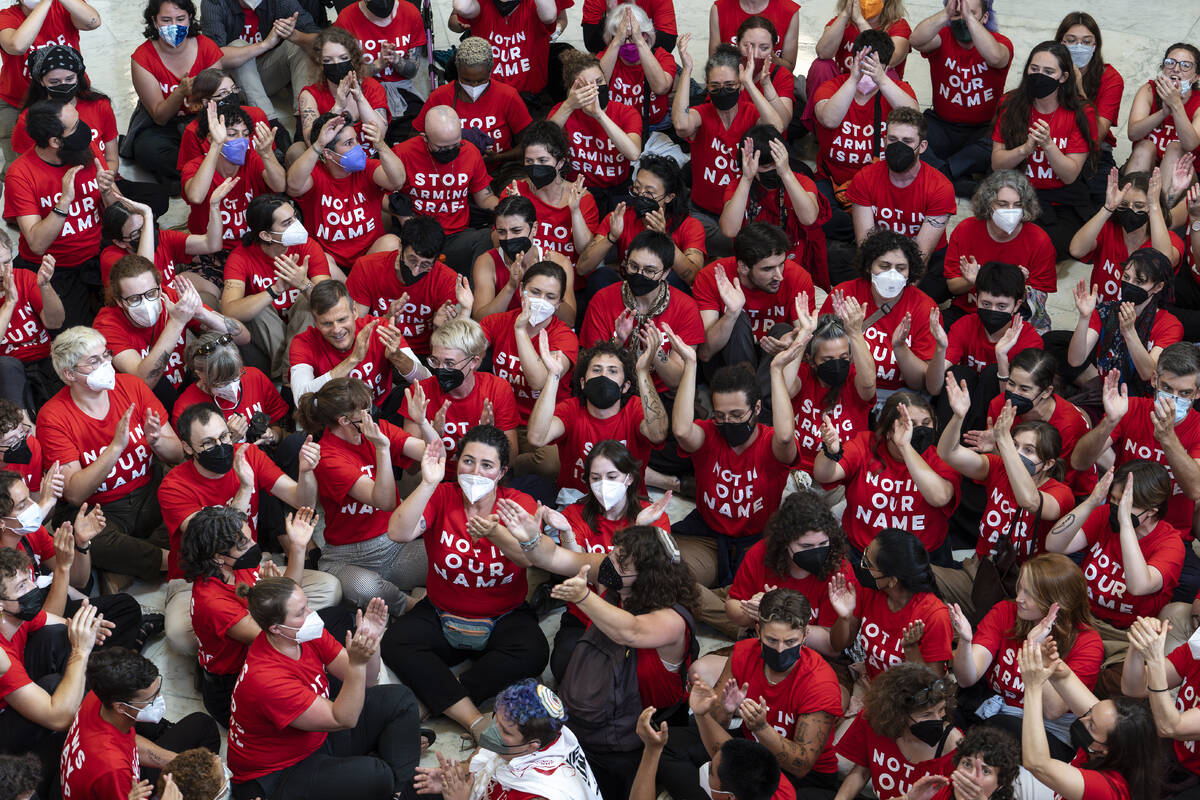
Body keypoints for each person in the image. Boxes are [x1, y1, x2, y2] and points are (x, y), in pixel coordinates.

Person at [481, 506, 696, 800]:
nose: (609, 562)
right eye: (613, 553)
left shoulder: (673, 621)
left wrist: (583, 596)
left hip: (631, 740)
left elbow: (629, 630)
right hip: (585, 720)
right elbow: (555, 557)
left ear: (649, 577)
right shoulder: (617, 572)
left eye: (621, 562)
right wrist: (531, 537)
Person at [379, 426, 548, 742]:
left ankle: (439, 696)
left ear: (501, 472)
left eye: (487, 465)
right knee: (395, 642)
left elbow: (529, 559)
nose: (475, 471)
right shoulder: (441, 494)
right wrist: (428, 483)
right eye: (468, 461)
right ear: (456, 464)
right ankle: (471, 717)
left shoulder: (517, 502)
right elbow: (398, 532)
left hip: (504, 616)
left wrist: (495, 533)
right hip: (441, 611)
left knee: (534, 652)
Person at [157, 402, 338, 655]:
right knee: (179, 637)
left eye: (224, 436)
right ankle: (256, 630)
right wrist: (245, 489)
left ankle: (253, 628)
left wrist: (306, 472)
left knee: (330, 588)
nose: (221, 447)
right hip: (199, 581)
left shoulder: (247, 454)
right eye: (208, 443)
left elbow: (303, 501)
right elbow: (217, 542)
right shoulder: (173, 486)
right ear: (187, 447)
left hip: (251, 569)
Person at [226, 578, 422, 799]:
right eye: (300, 612)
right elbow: (344, 719)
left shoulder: (304, 634)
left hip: (313, 737)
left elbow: (366, 680)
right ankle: (389, 773)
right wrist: (357, 663)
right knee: (376, 774)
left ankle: (401, 792)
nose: (310, 613)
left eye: (307, 604)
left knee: (400, 700)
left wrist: (371, 641)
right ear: (276, 628)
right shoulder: (266, 678)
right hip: (279, 772)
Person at [38, 327, 184, 588]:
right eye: (94, 361)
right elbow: (74, 493)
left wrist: (157, 441)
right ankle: (171, 562)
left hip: (148, 492)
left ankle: (127, 569)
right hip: (99, 509)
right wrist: (115, 448)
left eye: (106, 355)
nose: (106, 364)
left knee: (191, 503)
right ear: (69, 374)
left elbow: (178, 454)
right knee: (81, 536)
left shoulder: (132, 386)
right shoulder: (53, 416)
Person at [663, 588, 840, 796]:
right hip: (751, 749)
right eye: (772, 640)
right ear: (758, 631)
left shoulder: (820, 682)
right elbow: (717, 724)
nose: (781, 650)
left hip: (804, 777)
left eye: (790, 641)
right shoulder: (744, 653)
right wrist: (725, 711)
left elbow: (801, 766)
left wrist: (762, 728)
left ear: (805, 635)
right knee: (665, 743)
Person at [180, 504, 338, 726]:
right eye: (243, 543)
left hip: (259, 650)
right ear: (217, 557)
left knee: (336, 620)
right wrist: (278, 595)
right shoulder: (213, 602)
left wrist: (299, 546)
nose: (255, 546)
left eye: (250, 537)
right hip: (232, 686)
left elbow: (287, 597)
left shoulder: (235, 567)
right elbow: (280, 632)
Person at [529, 441, 672, 676]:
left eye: (612, 476)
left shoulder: (650, 515)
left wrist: (638, 528)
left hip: (635, 613)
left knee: (639, 672)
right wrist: (565, 533)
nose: (603, 484)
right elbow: (573, 569)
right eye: (595, 478)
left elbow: (650, 576)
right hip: (586, 613)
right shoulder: (574, 514)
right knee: (564, 667)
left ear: (629, 478)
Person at [671, 343, 800, 590]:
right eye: (721, 415)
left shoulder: (770, 442)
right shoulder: (709, 434)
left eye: (738, 415)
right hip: (707, 536)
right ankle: (732, 614)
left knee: (765, 592)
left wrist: (776, 371)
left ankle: (732, 609)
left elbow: (785, 437)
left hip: (758, 541)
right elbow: (681, 430)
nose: (728, 422)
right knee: (672, 581)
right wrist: (690, 365)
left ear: (757, 409)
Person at [950, 553, 1103, 761]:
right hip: (996, 710)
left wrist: (1036, 649)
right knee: (945, 717)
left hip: (1049, 730)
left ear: (1056, 602)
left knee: (999, 729)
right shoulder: (1005, 611)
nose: (1019, 598)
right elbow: (966, 678)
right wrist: (965, 643)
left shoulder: (1088, 642)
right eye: (1020, 587)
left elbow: (1052, 711)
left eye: (1030, 594)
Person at [296, 377, 428, 610]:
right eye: (365, 411)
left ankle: (401, 592)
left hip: (394, 545)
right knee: (366, 588)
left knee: (445, 555)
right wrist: (382, 448)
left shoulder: (378, 430)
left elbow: (431, 455)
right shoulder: (328, 457)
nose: (371, 415)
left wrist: (423, 423)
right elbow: (384, 501)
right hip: (349, 556)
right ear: (345, 420)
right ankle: (408, 604)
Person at [934, 394, 1075, 610]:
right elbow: (947, 453)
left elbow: (1029, 501)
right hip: (981, 570)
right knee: (918, 574)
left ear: (1048, 464)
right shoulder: (998, 467)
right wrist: (958, 416)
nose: (1017, 453)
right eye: (1015, 445)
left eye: (1028, 450)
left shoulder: (1061, 493)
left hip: (1024, 589)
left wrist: (1005, 441)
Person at [1044, 461, 1184, 665]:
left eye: (1126, 504)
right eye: (1115, 499)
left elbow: (1138, 586)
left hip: (1124, 636)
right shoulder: (1105, 516)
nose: (1117, 508)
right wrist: (1093, 501)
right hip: (1082, 618)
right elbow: (1054, 544)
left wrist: (1126, 522)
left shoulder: (1170, 544)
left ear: (1152, 511)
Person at [13, 44, 169, 218]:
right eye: (54, 82)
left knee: (156, 197)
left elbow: (111, 159)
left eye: (69, 79)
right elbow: (28, 171)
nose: (63, 85)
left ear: (78, 77)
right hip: (59, 191)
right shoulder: (29, 121)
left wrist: (104, 182)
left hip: (101, 181)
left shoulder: (99, 106)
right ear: (41, 81)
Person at [2, 99, 118, 330]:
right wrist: (64, 202)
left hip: (99, 253)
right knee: (75, 337)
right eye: (75, 127)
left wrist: (108, 192)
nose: (85, 130)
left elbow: (117, 211)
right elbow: (36, 243)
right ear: (55, 141)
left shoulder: (85, 149)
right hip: (54, 268)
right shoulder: (21, 174)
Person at [1068, 341, 1200, 536]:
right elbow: (1079, 462)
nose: (1173, 399)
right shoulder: (1131, 407)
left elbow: (1196, 490)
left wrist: (1168, 438)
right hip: (1117, 521)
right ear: (1154, 379)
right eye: (1167, 388)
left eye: (1184, 393)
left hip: (1171, 534)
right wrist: (1109, 422)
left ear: (1197, 393)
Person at [815, 390, 960, 560]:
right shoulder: (865, 444)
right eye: (909, 423)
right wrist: (830, 452)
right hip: (862, 555)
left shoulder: (940, 455)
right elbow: (824, 475)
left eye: (926, 423)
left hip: (923, 559)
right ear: (888, 430)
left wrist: (905, 448)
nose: (918, 430)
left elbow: (940, 497)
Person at [60, 647, 221, 797]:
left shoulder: (98, 698)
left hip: (126, 777)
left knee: (203, 725)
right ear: (121, 707)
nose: (159, 700)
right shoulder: (113, 770)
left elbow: (126, 742)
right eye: (151, 700)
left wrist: (178, 761)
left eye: (158, 691)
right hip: (124, 785)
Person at [673, 39, 784, 256]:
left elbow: (776, 127)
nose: (722, 91)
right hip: (703, 213)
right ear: (707, 86)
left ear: (739, 84)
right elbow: (680, 124)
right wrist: (686, 71)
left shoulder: (750, 112)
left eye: (730, 86)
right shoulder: (701, 114)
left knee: (749, 244)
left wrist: (750, 84)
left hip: (744, 212)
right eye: (715, 86)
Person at [93, 256, 248, 408]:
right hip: (149, 400)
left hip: (188, 384)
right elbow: (143, 382)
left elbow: (243, 337)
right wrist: (177, 322)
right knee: (161, 385)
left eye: (151, 293)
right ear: (119, 301)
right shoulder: (107, 324)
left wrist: (201, 313)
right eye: (134, 299)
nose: (146, 303)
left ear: (160, 288)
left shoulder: (171, 297)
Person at [991, 41, 1097, 260]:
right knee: (997, 245)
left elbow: (1069, 175)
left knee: (1038, 252)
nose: (1039, 76)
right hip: (1017, 196)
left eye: (1049, 72)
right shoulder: (1011, 103)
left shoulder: (1081, 112)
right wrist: (1024, 149)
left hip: (1062, 203)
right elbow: (996, 164)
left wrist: (1048, 145)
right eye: (1034, 69)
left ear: (1064, 77)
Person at [525, 340, 668, 503]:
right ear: (583, 382)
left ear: (626, 386)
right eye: (596, 369)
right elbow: (537, 438)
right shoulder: (571, 409)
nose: (603, 376)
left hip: (628, 504)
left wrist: (642, 372)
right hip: (577, 504)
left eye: (612, 371)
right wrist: (553, 376)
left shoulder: (635, 408)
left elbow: (658, 434)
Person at [1018, 639, 1161, 800]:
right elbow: (1065, 678)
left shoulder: (1107, 788)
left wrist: (1032, 687)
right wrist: (1048, 662)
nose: (1083, 719)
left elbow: (1036, 763)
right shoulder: (1106, 739)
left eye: (1091, 725)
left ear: (1107, 748)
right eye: (1091, 712)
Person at [812, 30, 919, 243]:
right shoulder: (831, 87)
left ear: (887, 68)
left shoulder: (898, 89)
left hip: (880, 183)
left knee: (897, 219)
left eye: (875, 67)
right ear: (852, 61)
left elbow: (915, 118)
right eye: (863, 64)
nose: (867, 73)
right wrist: (853, 79)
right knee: (823, 219)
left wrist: (882, 80)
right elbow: (829, 120)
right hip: (833, 181)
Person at [414, 679, 603, 800]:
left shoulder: (541, 793)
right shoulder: (543, 734)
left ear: (532, 745)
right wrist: (454, 776)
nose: (491, 732)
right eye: (495, 718)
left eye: (504, 731)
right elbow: (480, 763)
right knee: (416, 785)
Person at [723, 491, 856, 658]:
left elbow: (833, 647)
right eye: (806, 546)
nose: (816, 553)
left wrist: (782, 619)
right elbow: (731, 607)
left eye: (823, 543)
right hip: (763, 642)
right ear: (785, 541)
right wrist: (752, 611)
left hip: (812, 656)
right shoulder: (761, 553)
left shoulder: (839, 570)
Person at [479, 261, 578, 482]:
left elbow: (540, 381)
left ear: (560, 302)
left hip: (543, 422)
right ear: (522, 288)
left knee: (550, 464)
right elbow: (467, 355)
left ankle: (511, 466)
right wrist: (465, 312)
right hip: (500, 416)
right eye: (535, 292)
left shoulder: (565, 336)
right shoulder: (498, 321)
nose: (541, 301)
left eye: (550, 297)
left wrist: (520, 331)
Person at [221, 192, 335, 379]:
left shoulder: (307, 246)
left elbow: (330, 302)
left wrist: (303, 284)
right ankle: (293, 376)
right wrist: (275, 290)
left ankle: (287, 378)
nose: (296, 226)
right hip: (269, 333)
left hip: (303, 328)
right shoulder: (240, 257)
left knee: (308, 301)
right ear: (265, 235)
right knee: (257, 309)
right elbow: (229, 312)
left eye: (295, 218)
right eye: (287, 223)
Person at [578, 230, 705, 397]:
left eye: (649, 271)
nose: (640, 275)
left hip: (661, 394)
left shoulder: (685, 307)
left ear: (666, 272)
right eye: (634, 266)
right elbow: (590, 367)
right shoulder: (603, 299)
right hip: (611, 390)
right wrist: (618, 341)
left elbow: (675, 381)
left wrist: (656, 351)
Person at [0, 572, 102, 780]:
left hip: (14, 692)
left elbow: (64, 626)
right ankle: (97, 723)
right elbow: (59, 719)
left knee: (57, 635)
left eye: (29, 579)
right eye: (21, 586)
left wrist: (87, 629)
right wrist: (80, 650)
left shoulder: (16, 613)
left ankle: (97, 708)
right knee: (55, 684)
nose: (33, 587)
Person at [847, 107, 955, 300]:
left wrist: (897, 297)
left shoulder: (940, 187)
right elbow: (866, 244)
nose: (899, 146)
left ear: (922, 147)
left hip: (924, 262)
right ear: (884, 139)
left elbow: (922, 254)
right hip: (881, 256)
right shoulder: (865, 178)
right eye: (893, 140)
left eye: (907, 141)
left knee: (934, 288)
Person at [816, 229, 937, 401]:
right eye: (884, 266)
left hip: (898, 398)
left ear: (910, 272)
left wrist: (900, 347)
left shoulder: (925, 307)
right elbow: (821, 361)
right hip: (847, 389)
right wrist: (841, 331)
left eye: (900, 268)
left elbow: (918, 383)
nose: (892, 274)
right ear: (869, 266)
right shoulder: (844, 294)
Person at [908, 0, 1012, 195]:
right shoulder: (943, 37)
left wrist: (970, 21)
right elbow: (915, 40)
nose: (963, 18)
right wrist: (948, 13)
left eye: (971, 13)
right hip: (942, 124)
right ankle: (960, 181)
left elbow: (996, 58)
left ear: (985, 17)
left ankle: (941, 174)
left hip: (983, 130)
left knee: (1002, 146)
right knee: (911, 136)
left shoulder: (1001, 42)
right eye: (959, 14)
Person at [925, 261, 1043, 428]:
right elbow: (933, 388)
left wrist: (1001, 357)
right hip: (961, 408)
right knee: (958, 372)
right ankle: (943, 442)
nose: (993, 310)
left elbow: (1013, 403)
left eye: (1002, 306)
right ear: (977, 298)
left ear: (1017, 305)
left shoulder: (1030, 340)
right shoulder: (965, 325)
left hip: (999, 419)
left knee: (992, 374)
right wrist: (940, 348)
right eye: (986, 304)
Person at [399, 318, 520, 479]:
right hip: (439, 479)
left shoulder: (497, 389)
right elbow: (411, 469)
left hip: (481, 479)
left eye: (449, 363)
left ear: (473, 362)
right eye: (435, 361)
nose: (441, 369)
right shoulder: (419, 392)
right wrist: (432, 435)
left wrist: (489, 435)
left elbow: (509, 461)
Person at [695, 220, 815, 380]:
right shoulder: (712, 276)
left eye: (781, 264)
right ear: (743, 267)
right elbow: (705, 353)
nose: (779, 275)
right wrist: (731, 314)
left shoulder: (798, 277)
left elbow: (810, 352)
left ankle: (760, 403)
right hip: (727, 371)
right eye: (768, 269)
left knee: (783, 331)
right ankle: (744, 397)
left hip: (771, 366)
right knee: (736, 320)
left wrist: (792, 343)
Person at [829, 527, 953, 678]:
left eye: (869, 564)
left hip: (909, 696)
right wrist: (844, 617)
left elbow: (932, 682)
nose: (862, 566)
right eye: (865, 555)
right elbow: (837, 645)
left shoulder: (934, 615)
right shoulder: (867, 590)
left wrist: (911, 649)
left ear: (893, 580)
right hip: (872, 684)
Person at [286, 112, 404, 269]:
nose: (358, 147)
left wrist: (380, 144)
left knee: (392, 242)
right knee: (320, 258)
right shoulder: (315, 174)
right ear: (327, 153)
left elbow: (398, 181)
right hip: (332, 264)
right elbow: (293, 186)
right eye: (349, 143)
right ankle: (348, 291)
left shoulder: (367, 168)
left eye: (356, 140)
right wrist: (318, 146)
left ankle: (354, 288)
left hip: (368, 259)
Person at [942, 169, 1057, 330]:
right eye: (1002, 204)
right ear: (989, 204)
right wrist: (970, 281)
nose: (1010, 211)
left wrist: (1020, 288)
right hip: (969, 311)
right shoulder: (965, 230)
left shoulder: (1039, 240)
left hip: (1013, 318)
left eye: (1017, 205)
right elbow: (952, 286)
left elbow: (1039, 303)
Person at [128, 0, 226, 186]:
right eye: (166, 20)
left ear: (189, 18)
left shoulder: (207, 48)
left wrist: (200, 98)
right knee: (148, 151)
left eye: (180, 19)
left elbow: (220, 97)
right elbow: (159, 117)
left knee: (227, 136)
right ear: (154, 22)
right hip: (164, 127)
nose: (174, 26)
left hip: (203, 119)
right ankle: (201, 172)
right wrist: (180, 92)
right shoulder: (142, 58)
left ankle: (196, 171)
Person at [972, 347, 1095, 496]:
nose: (1014, 393)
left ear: (1046, 392)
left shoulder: (1069, 425)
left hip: (1060, 494)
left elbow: (1058, 486)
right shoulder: (1000, 406)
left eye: (1024, 389)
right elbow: (997, 467)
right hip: (1009, 482)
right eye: (1011, 384)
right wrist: (993, 450)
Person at [287, 279, 422, 414]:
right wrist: (352, 360)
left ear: (355, 311)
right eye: (327, 323)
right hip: (334, 420)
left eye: (342, 320)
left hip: (381, 414)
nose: (337, 330)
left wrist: (398, 357)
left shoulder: (379, 328)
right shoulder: (303, 343)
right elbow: (301, 401)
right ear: (315, 321)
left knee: (405, 394)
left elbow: (426, 380)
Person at [392, 105, 498, 274]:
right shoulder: (402, 153)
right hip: (416, 236)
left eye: (455, 145)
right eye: (442, 148)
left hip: (457, 235)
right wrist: (403, 216)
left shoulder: (470, 152)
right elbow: (382, 196)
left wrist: (505, 206)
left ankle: (472, 298)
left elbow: (485, 197)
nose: (449, 151)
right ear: (425, 138)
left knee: (489, 238)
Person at [718, 126, 827, 285]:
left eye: (774, 164)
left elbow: (809, 218)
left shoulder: (801, 181)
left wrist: (786, 172)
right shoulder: (738, 186)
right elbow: (729, 230)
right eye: (764, 167)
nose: (771, 170)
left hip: (796, 266)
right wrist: (747, 178)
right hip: (755, 269)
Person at [779, 304, 876, 481]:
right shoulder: (803, 374)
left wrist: (854, 332)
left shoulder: (854, 379)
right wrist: (804, 334)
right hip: (798, 474)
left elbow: (869, 384)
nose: (837, 365)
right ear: (811, 360)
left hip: (844, 474)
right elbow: (783, 387)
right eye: (828, 359)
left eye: (843, 358)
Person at [836, 663, 961, 800]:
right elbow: (862, 772)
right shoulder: (874, 720)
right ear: (899, 714)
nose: (938, 719)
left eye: (941, 709)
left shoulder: (954, 744)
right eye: (926, 715)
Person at [578, 154, 706, 286]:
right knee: (601, 276)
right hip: (627, 291)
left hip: (665, 295)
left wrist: (665, 240)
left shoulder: (690, 226)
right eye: (637, 188)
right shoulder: (620, 218)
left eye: (649, 193)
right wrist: (611, 237)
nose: (641, 196)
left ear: (669, 197)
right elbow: (582, 268)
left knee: (672, 278)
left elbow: (694, 278)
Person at [348, 215, 464, 357]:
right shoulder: (366, 267)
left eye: (425, 265)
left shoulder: (447, 280)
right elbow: (352, 331)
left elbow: (444, 354)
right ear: (400, 248)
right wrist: (387, 318)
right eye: (412, 260)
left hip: (421, 356)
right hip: (376, 348)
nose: (416, 271)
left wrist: (438, 328)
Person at [181, 103, 286, 259]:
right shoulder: (194, 166)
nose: (241, 140)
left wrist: (267, 154)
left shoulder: (253, 157)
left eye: (245, 134)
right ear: (211, 138)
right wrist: (217, 145)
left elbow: (280, 186)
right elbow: (196, 196)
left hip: (255, 244)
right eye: (232, 134)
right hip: (215, 250)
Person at [199, 0, 318, 134]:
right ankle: (270, 124)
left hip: (268, 73)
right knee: (238, 45)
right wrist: (265, 44)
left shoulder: (281, 3)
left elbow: (319, 41)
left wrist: (295, 35)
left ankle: (304, 122)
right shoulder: (214, 3)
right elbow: (214, 58)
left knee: (300, 46)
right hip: (235, 84)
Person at [548, 51, 642, 216]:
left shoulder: (626, 112)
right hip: (578, 192)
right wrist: (569, 105)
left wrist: (599, 115)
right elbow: (542, 143)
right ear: (572, 89)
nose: (595, 89)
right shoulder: (562, 111)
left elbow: (633, 153)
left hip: (618, 192)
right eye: (587, 86)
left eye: (599, 81)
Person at [1070, 168, 1182, 304]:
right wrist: (1108, 208)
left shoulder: (1170, 240)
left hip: (1141, 320)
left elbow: (1165, 260)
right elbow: (1076, 250)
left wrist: (1154, 205)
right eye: (1124, 204)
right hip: (1102, 315)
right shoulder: (1107, 229)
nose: (1131, 210)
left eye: (1139, 205)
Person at [501, 120, 599, 264]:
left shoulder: (581, 196)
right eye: (529, 161)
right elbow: (499, 246)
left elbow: (584, 252)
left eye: (542, 160)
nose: (535, 167)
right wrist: (516, 211)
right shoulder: (515, 191)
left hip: (569, 279)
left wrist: (575, 211)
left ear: (560, 162)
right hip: (528, 275)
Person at [99, 194, 224, 306]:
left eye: (145, 227)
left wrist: (214, 207)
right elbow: (143, 270)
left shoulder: (162, 237)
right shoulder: (111, 257)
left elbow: (212, 244)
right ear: (119, 242)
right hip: (147, 313)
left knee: (213, 295)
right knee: (206, 302)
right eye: (136, 233)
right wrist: (147, 214)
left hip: (167, 296)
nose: (146, 235)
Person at [1056, 13, 1123, 209]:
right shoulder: (1049, 68)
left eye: (1086, 42)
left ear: (1095, 46)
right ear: (1060, 42)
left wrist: (1079, 90)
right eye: (1071, 41)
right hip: (1054, 143)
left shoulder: (1111, 78)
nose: (1079, 47)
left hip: (1095, 151)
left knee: (1101, 201)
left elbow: (1098, 133)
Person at [473, 195, 578, 321]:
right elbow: (480, 320)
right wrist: (511, 287)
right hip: (504, 333)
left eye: (516, 230)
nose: (508, 238)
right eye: (501, 232)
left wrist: (547, 283)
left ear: (534, 228)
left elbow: (570, 320)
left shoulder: (559, 262)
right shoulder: (486, 262)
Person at [170, 332, 289, 436]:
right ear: (200, 375)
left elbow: (280, 427)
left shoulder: (254, 377)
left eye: (237, 376)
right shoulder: (186, 409)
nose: (232, 386)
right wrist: (228, 441)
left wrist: (274, 436)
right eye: (222, 383)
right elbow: (191, 460)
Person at [633, 722, 790, 800]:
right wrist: (703, 715)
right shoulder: (775, 784)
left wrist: (651, 751)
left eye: (711, 772)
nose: (705, 766)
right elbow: (724, 747)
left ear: (728, 797)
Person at [334, 0, 428, 120]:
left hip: (402, 90)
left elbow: (411, 71)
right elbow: (341, 74)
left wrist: (396, 60)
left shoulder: (410, 13)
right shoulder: (346, 19)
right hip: (363, 91)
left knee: (419, 126)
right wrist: (377, 65)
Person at [0, 235, 62, 414]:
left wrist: (45, 286)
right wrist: (10, 302)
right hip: (8, 368)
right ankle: (26, 433)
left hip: (43, 360)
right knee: (7, 367)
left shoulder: (25, 277)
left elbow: (55, 322)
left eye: (6, 262)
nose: (2, 272)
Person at [451, 0, 559, 99]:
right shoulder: (483, 4)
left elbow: (549, 16)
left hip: (530, 96)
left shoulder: (534, 5)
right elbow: (461, 7)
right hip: (491, 94)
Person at [599, 4, 676, 140]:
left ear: (647, 35)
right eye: (624, 38)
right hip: (616, 126)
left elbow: (660, 87)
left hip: (655, 127)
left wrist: (639, 41)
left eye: (634, 37)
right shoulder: (606, 56)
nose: (629, 44)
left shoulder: (663, 57)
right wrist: (617, 41)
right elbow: (597, 85)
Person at [1125, 43, 1200, 178]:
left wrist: (1176, 105)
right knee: (1145, 147)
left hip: (1183, 176)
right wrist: (1164, 112)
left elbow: (1190, 145)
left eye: (1185, 65)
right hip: (1145, 167)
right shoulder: (1149, 90)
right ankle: (1132, 197)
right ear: (1163, 68)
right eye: (1170, 63)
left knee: (1175, 149)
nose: (1176, 69)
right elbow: (1133, 134)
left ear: (1195, 77)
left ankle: (1162, 200)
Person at [896, 727, 1023, 800]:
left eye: (985, 771)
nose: (971, 776)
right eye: (967, 764)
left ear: (1000, 784)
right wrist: (908, 798)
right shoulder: (939, 790)